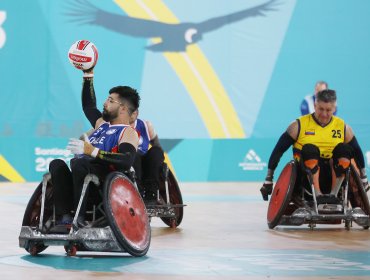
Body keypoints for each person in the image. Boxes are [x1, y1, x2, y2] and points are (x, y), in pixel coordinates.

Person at [48, 67, 140, 229]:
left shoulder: (128, 132)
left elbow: (126, 161)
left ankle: (80, 218)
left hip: (104, 183)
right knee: (57, 165)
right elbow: (89, 106)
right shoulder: (101, 125)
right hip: (82, 175)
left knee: (80, 164)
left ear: (124, 109)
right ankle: (65, 217)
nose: (105, 103)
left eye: (111, 101)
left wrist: (92, 151)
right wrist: (88, 75)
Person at [261, 89, 369, 204]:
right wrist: (269, 179)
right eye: (320, 109)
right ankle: (317, 195)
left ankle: (333, 195)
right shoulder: (298, 125)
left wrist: (364, 177)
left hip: (334, 175)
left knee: (344, 149)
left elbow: (357, 151)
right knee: (309, 149)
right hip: (306, 177)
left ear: (334, 109)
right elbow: (278, 151)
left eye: (328, 110)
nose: (324, 114)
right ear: (314, 105)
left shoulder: (342, 127)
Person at [129, 109, 165, 204]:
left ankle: (151, 194)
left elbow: (157, 146)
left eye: (134, 111)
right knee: (134, 154)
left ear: (137, 112)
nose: (132, 114)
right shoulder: (116, 125)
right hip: (129, 161)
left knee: (156, 151)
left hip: (145, 162)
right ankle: (138, 192)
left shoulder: (146, 125)